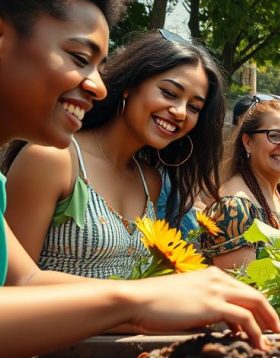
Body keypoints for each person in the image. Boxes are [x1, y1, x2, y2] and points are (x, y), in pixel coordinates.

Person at [0, 0, 280, 358]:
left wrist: (161, 297)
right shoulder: (53, 158)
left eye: (195, 106)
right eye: (77, 58)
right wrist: (137, 300)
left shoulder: (156, 181)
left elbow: (24, 282)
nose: (94, 85)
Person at [4, 29, 225, 279]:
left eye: (194, 107)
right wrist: (142, 299)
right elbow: (11, 282)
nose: (180, 112)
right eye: (169, 93)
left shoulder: (150, 181)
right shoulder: (54, 159)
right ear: (130, 86)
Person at [203, 100, 280, 269]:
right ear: (248, 142)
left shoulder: (277, 194)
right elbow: (241, 289)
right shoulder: (233, 208)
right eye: (275, 135)